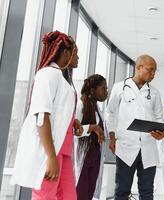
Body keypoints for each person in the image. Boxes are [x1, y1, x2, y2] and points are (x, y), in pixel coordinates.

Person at [10, 31, 81, 200]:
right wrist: (50, 157)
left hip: (63, 151)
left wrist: (72, 121)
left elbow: (58, 113)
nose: (77, 58)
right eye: (75, 53)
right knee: (45, 197)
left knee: (68, 196)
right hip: (50, 151)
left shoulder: (61, 79)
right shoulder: (47, 75)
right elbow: (41, 116)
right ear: (65, 53)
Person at [106, 54, 164, 200]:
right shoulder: (119, 88)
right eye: (150, 70)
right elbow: (110, 113)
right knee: (122, 191)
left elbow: (159, 117)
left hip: (148, 147)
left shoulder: (155, 93)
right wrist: (112, 137)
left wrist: (161, 133)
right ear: (139, 68)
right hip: (126, 146)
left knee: (147, 191)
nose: (153, 74)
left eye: (155, 71)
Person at [75, 74, 107, 200]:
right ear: (93, 90)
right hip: (83, 155)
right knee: (80, 193)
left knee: (89, 194)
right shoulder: (80, 105)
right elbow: (74, 130)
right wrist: (93, 127)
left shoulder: (97, 108)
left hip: (95, 156)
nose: (106, 92)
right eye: (103, 89)